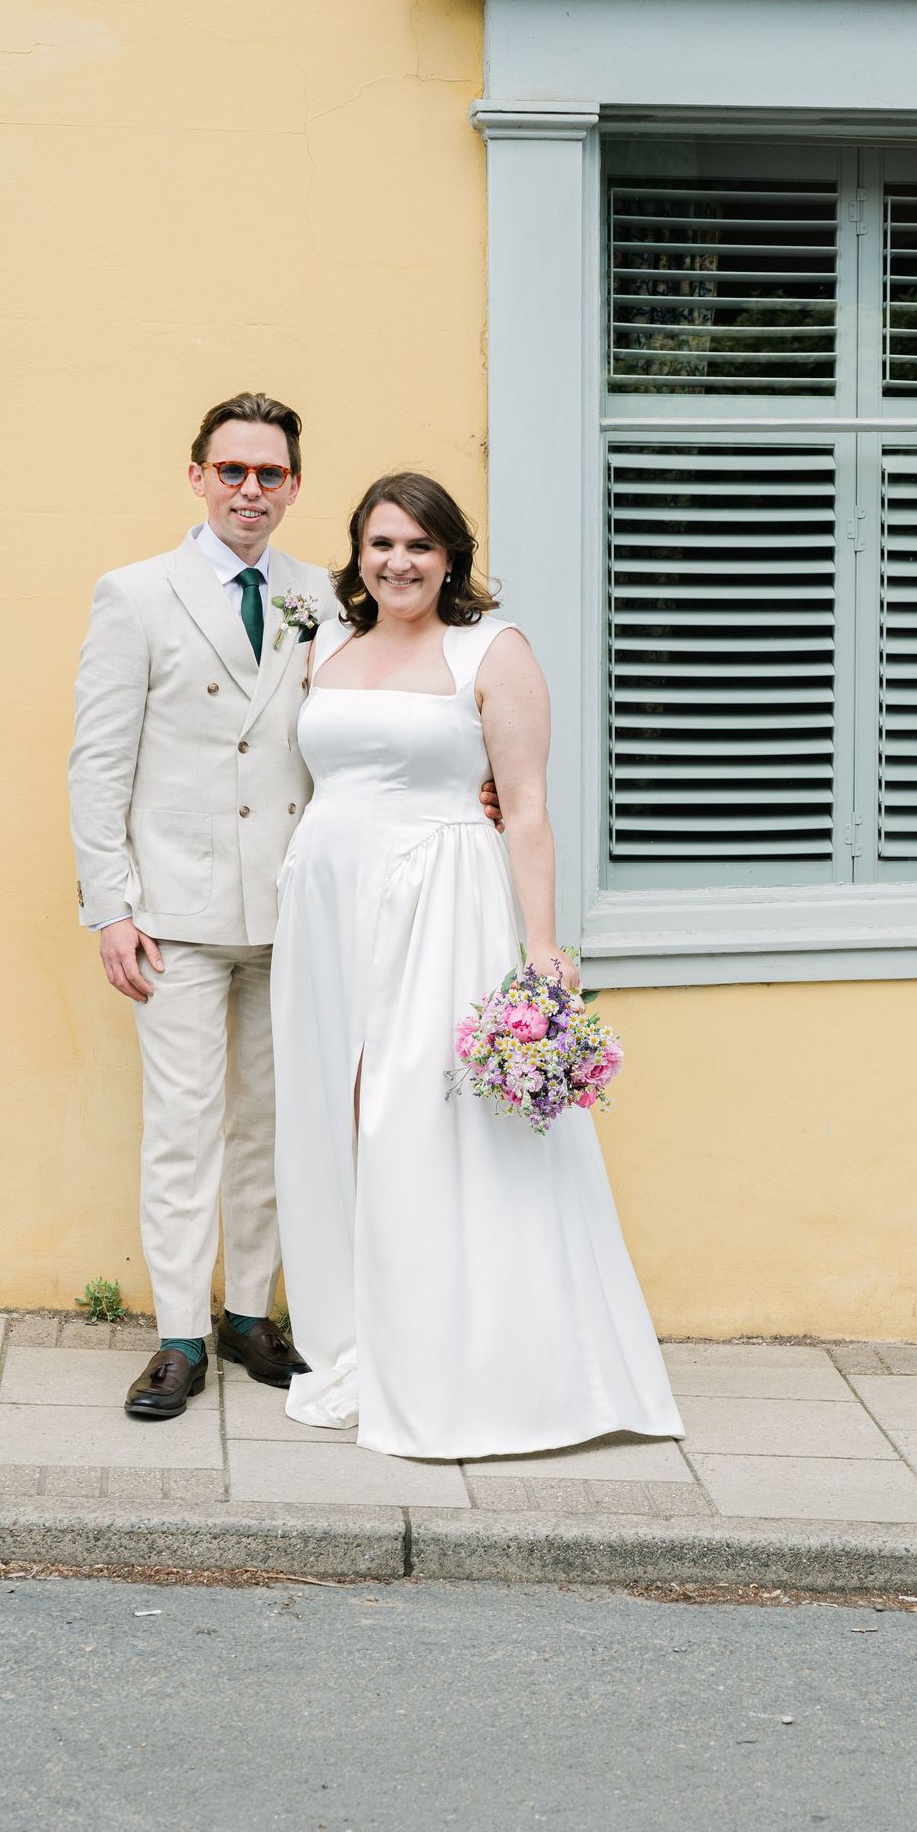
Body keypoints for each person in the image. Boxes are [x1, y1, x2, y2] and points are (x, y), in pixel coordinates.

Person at [70, 397, 498, 1419]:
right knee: (184, 1123)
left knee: (277, 1119)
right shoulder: (134, 594)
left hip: (306, 900)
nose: (249, 490)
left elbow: (399, 699)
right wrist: (109, 906)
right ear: (197, 476)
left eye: (269, 474)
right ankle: (179, 1333)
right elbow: (98, 761)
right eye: (231, 471)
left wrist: (470, 784)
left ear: (295, 485)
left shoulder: (328, 592)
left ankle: (251, 1315)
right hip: (173, 907)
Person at [270, 472, 682, 1458]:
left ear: (450, 555)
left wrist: (543, 951)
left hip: (443, 901)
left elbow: (527, 806)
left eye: (418, 544)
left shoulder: (492, 652)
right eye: (380, 543)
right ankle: (361, 1336)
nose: (398, 562)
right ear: (357, 554)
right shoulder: (326, 643)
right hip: (327, 902)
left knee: (425, 1120)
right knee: (336, 1114)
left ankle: (464, 1357)